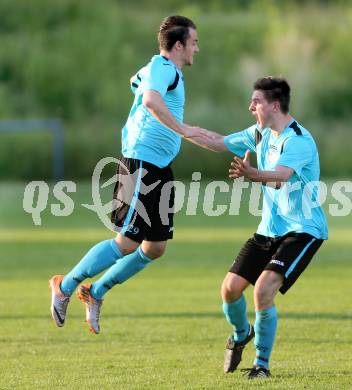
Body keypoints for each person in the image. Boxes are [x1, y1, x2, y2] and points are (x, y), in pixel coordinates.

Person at [49, 15, 202, 334]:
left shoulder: (159, 70)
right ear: (178, 45)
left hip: (159, 167)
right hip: (141, 163)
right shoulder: (162, 68)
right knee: (128, 242)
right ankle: (64, 285)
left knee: (155, 246)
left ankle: (95, 292)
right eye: (194, 42)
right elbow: (148, 98)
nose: (196, 49)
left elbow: (136, 83)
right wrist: (182, 129)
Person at [187, 76, 328, 379]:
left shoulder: (299, 140)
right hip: (269, 229)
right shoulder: (259, 134)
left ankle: (261, 365)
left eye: (257, 102)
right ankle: (240, 335)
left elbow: (279, 175)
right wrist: (175, 127)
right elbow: (216, 141)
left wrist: (252, 173)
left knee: (263, 290)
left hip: (303, 229)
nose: (251, 107)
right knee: (229, 290)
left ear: (274, 105)